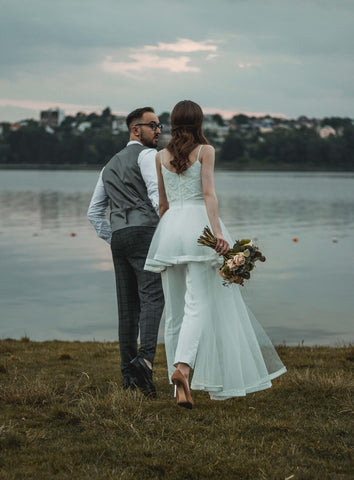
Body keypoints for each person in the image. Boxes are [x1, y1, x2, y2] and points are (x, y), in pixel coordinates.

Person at [144, 100, 286, 408]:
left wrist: (167, 234)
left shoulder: (159, 156)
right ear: (199, 122)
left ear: (172, 123)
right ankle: (183, 369)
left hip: (170, 230)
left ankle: (178, 388)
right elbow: (208, 193)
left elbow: (163, 205)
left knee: (174, 312)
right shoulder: (205, 152)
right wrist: (218, 232)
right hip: (198, 228)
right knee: (198, 303)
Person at [87, 107, 165, 398]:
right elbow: (158, 195)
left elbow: (94, 213)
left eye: (159, 125)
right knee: (153, 298)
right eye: (153, 125)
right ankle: (144, 362)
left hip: (120, 237)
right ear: (136, 130)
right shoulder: (146, 156)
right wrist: (166, 233)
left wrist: (115, 236)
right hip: (145, 233)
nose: (159, 130)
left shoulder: (108, 165)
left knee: (127, 307)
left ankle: (128, 377)